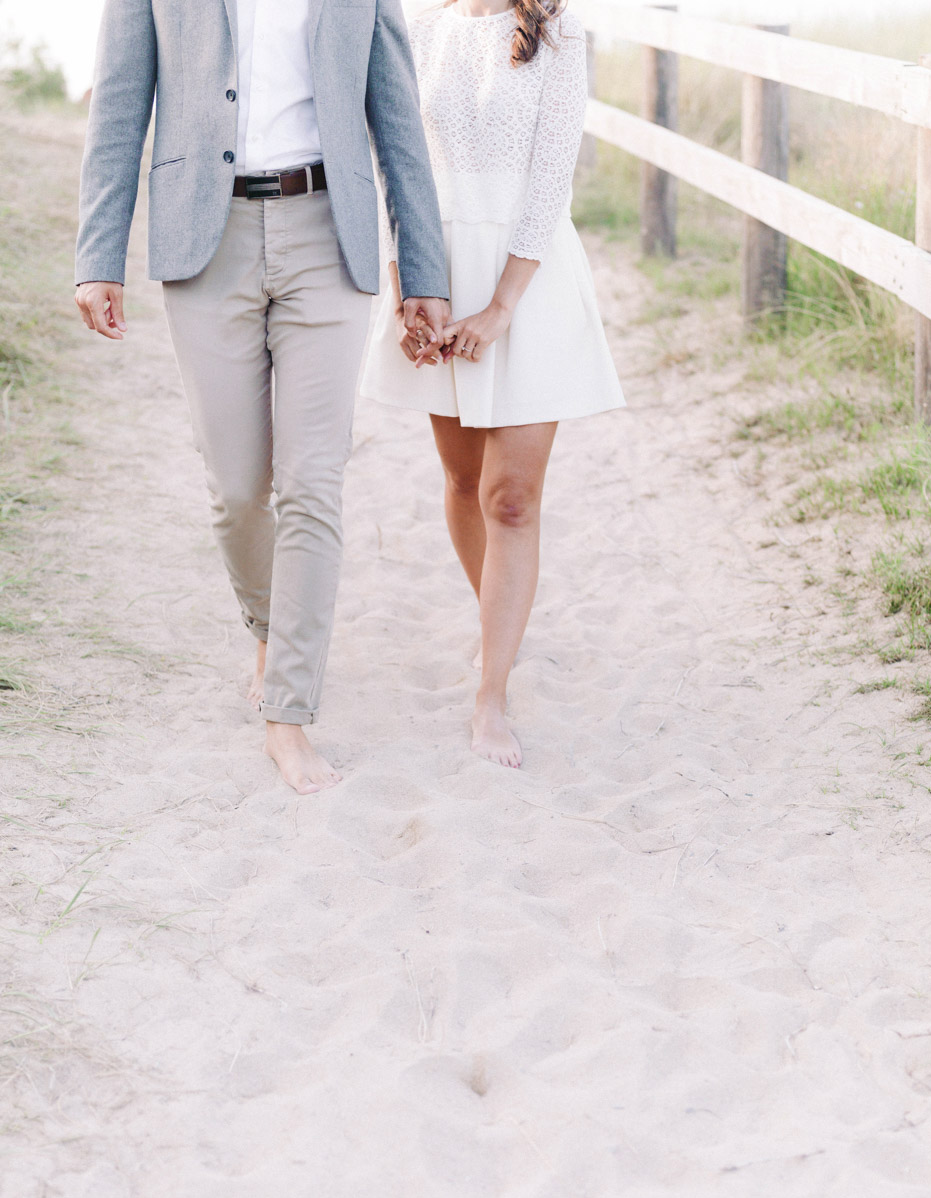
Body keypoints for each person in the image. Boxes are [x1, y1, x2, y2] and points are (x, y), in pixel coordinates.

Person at [74, 0, 450, 795]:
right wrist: (96, 254)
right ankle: (271, 630)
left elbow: (398, 119)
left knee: (313, 481)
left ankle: (289, 712)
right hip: (205, 238)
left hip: (328, 231)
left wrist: (424, 272)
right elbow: (117, 103)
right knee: (239, 490)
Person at [361, 0, 624, 769]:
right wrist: (407, 278)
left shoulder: (560, 30)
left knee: (511, 495)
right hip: (437, 269)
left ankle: (493, 693)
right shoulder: (419, 26)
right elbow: (393, 157)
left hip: (525, 278)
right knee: (462, 476)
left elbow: (550, 180)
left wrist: (503, 304)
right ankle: (497, 628)